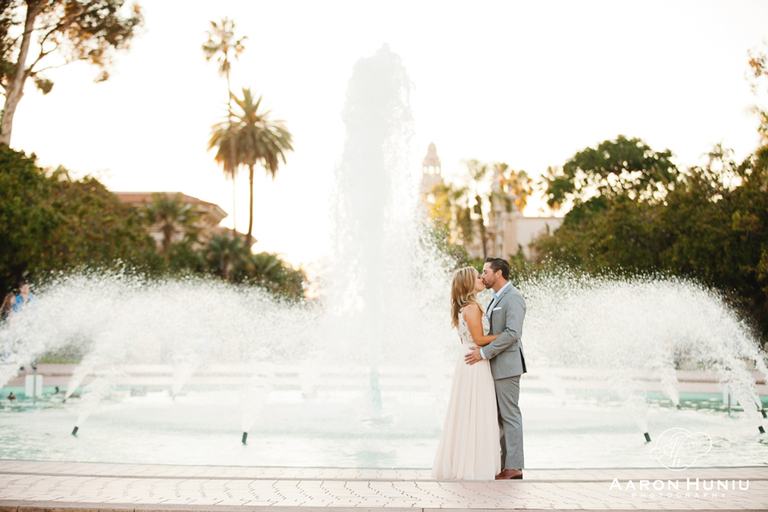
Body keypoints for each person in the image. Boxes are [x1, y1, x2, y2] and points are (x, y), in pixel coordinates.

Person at [432, 267, 502, 480]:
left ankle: (469, 461)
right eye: (477, 277)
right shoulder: (471, 308)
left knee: (471, 412)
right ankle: (473, 465)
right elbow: (479, 340)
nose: (481, 279)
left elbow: (467, 340)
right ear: (468, 284)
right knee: (476, 410)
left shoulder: (467, 307)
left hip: (470, 360)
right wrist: (506, 335)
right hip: (475, 362)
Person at [465, 257, 527, 480]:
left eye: (485, 271)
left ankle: (515, 467)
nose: (482, 276)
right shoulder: (494, 299)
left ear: (498, 273)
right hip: (496, 366)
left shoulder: (514, 298)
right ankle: (505, 465)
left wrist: (483, 353)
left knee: (510, 415)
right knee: (500, 417)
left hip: (508, 366)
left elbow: (512, 334)